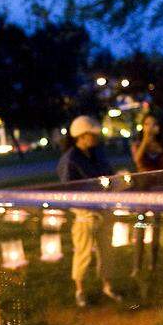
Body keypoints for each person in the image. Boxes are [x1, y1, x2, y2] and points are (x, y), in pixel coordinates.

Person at [58, 115, 122, 307]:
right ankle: (80, 290)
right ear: (81, 135)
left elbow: (108, 176)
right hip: (85, 215)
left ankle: (107, 286)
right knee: (83, 253)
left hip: (104, 210)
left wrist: (118, 181)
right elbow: (70, 190)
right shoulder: (70, 160)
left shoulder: (98, 154)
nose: (96, 137)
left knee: (107, 251)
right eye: (92, 134)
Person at [130, 113, 163, 275]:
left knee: (156, 227)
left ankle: (153, 263)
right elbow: (138, 160)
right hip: (142, 189)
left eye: (153, 124)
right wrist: (146, 141)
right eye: (147, 124)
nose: (150, 127)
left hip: (158, 189)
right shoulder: (138, 144)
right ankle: (136, 266)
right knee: (140, 226)